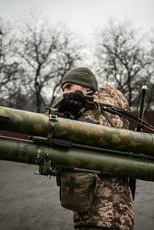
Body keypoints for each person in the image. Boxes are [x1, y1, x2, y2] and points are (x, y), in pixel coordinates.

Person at [54, 67, 134, 230]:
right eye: (63, 89)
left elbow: (99, 133)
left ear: (87, 88)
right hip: (96, 213)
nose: (65, 93)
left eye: (69, 87)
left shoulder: (102, 112)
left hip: (105, 214)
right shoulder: (81, 112)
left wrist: (73, 116)